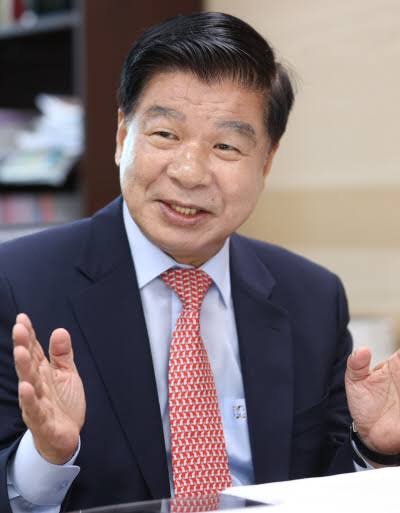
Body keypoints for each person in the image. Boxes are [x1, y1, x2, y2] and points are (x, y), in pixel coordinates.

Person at [1, 11, 400, 513]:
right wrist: (45, 457)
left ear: (266, 162)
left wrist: (374, 449)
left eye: (226, 146)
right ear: (122, 136)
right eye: (165, 135)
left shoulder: (313, 297)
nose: (189, 173)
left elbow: (323, 486)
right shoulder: (16, 283)